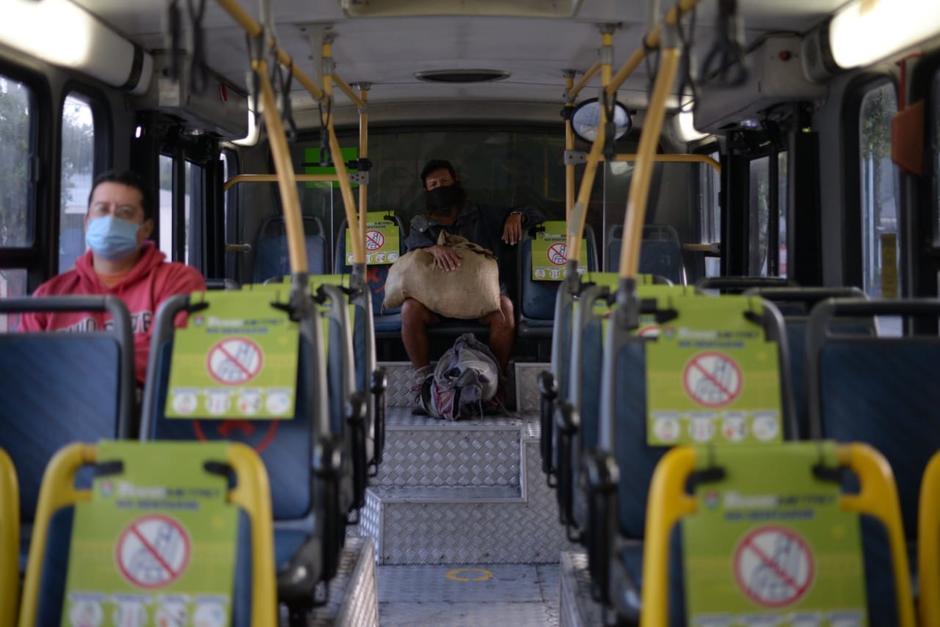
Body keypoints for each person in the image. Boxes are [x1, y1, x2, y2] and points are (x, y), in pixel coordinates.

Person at [20, 170, 205, 385]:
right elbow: (24, 367)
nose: (111, 219)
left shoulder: (178, 281)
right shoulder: (50, 295)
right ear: (87, 221)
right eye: (102, 209)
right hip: (59, 412)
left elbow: (167, 356)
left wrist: (65, 361)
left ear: (146, 228)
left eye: (125, 212)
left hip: (142, 412)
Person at [402, 159, 544, 407]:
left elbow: (537, 214)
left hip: (480, 303)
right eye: (433, 185)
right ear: (426, 191)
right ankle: (423, 380)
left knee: (505, 309)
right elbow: (411, 249)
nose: (440, 188)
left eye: (444, 182)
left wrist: (516, 215)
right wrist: (432, 248)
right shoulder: (420, 224)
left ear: (455, 182)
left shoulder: (483, 215)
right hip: (436, 304)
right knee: (409, 310)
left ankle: (497, 382)